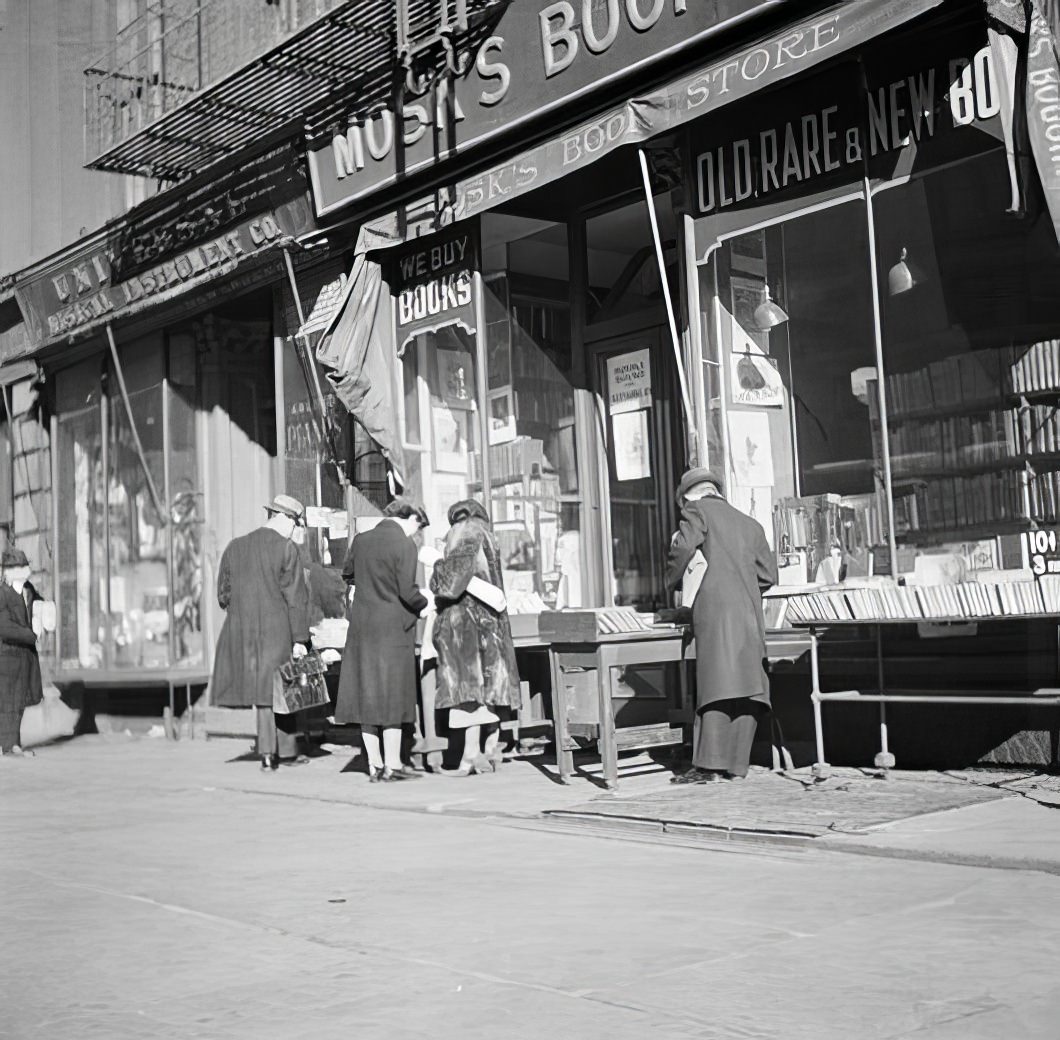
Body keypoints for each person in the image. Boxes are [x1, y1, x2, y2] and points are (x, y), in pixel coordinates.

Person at [666, 468, 777, 783]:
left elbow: (685, 547)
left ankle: (708, 768)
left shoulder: (696, 510)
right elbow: (769, 576)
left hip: (716, 613)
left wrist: (672, 579)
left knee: (715, 685)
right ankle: (736, 767)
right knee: (746, 688)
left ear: (688, 496)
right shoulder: (750, 523)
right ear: (715, 490)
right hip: (749, 614)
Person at [211, 494, 311, 770]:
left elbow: (223, 595)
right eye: (297, 524)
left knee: (264, 692)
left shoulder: (236, 546)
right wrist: (301, 638)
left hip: (242, 630)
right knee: (283, 688)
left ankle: (276, 752)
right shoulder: (287, 548)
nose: (296, 530)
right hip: (277, 630)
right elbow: (296, 599)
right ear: (286, 519)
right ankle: (279, 751)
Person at [335, 499, 431, 782]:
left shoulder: (362, 540)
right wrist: (426, 603)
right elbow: (408, 591)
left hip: (363, 628)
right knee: (392, 697)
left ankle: (374, 764)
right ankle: (393, 765)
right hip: (393, 629)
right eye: (418, 525)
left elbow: (347, 574)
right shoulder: (404, 545)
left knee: (368, 695)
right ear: (410, 518)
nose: (417, 532)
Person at [429, 499, 520, 775]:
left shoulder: (466, 533)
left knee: (467, 692)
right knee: (486, 690)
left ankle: (470, 756)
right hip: (488, 624)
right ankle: (489, 752)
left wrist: (436, 567)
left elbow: (450, 584)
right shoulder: (486, 535)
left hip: (465, 627)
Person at [0, 547, 43, 757]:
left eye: (25, 566)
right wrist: (31, 634)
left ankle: (13, 742)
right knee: (8, 701)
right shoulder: (2, 594)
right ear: (7, 572)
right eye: (18, 566)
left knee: (18, 703)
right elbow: (4, 627)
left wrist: (45, 613)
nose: (24, 570)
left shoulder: (28, 591)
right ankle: (9, 745)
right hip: (7, 657)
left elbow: (40, 607)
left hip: (25, 656)